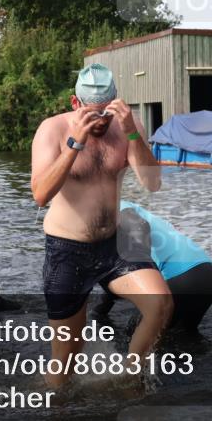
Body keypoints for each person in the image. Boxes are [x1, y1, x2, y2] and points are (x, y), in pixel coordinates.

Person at [30, 63, 168, 387]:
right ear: (75, 104)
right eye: (92, 114)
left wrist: (132, 131)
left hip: (114, 244)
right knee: (65, 365)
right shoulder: (51, 130)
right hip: (66, 250)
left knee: (161, 302)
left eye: (106, 113)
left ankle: (129, 381)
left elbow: (152, 183)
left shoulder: (126, 128)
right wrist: (73, 145)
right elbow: (40, 194)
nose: (100, 122)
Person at [92, 203, 212, 331]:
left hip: (181, 277)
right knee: (183, 337)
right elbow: (116, 274)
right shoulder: (123, 214)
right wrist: (99, 313)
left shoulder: (116, 206)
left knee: (133, 335)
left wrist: (147, 275)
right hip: (208, 274)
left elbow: (140, 227)